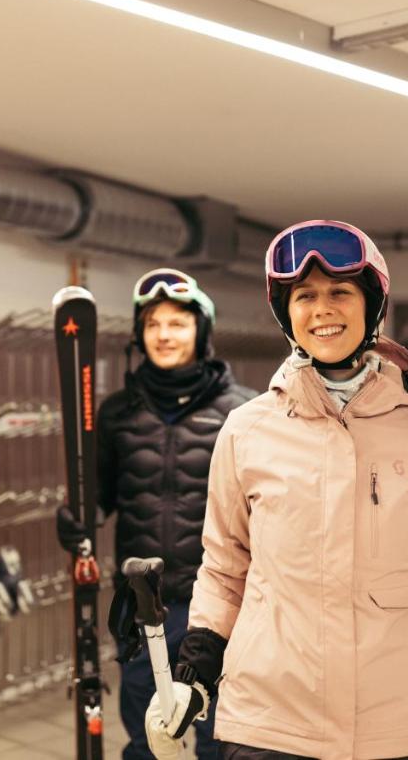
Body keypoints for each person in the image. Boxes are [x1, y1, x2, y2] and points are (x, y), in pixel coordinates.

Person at [142, 220, 408, 760]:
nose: (323, 309)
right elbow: (225, 570)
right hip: (270, 720)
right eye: (305, 296)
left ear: (371, 305)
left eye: (340, 292)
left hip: (393, 720)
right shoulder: (247, 429)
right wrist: (193, 674)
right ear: (286, 312)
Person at [57, 267, 257, 760]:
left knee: (221, 732)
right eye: (153, 325)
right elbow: (100, 494)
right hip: (143, 600)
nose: (164, 335)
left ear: (201, 332)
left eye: (177, 323)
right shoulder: (118, 411)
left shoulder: (245, 412)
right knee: (146, 730)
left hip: (223, 599)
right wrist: (77, 517)